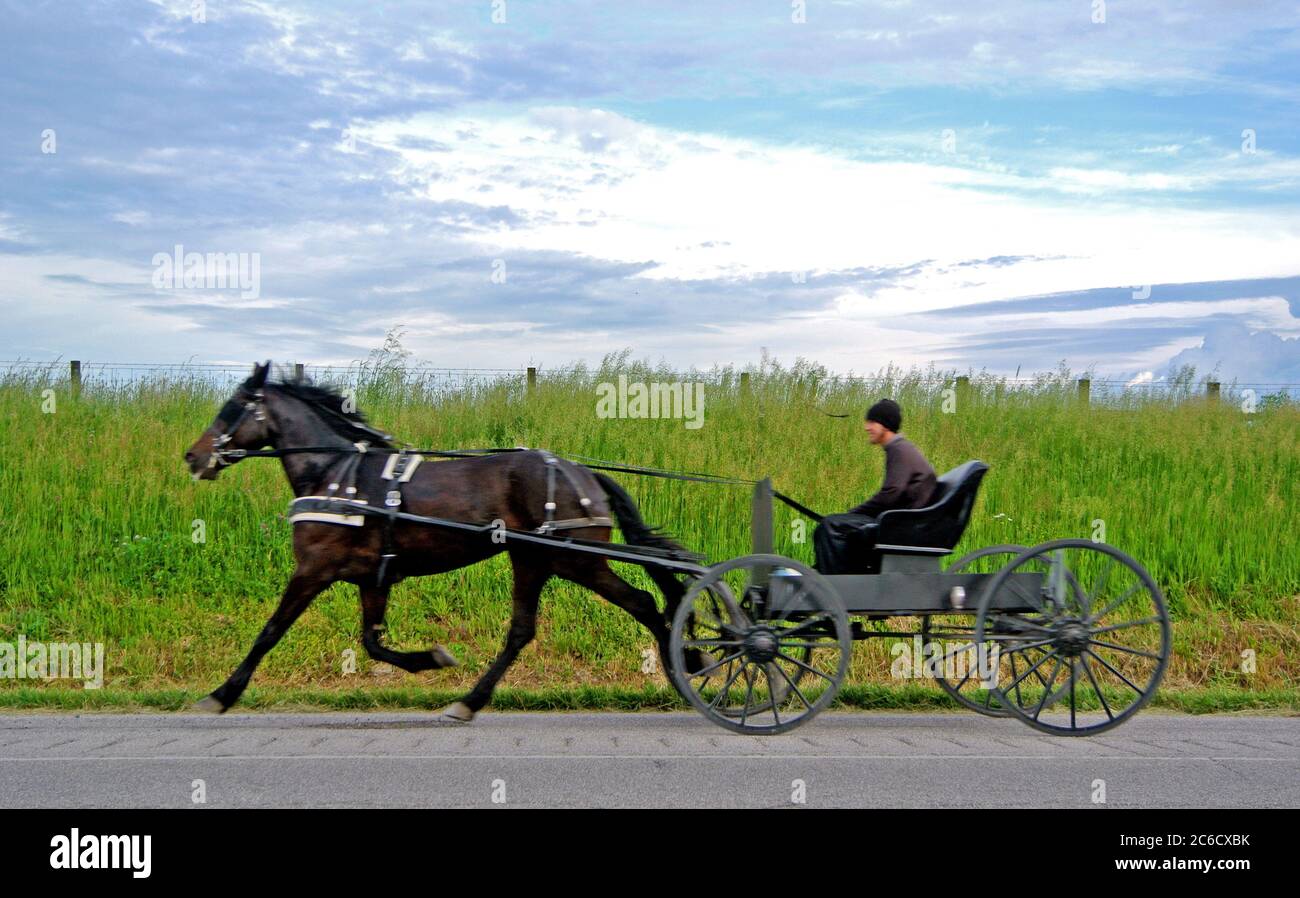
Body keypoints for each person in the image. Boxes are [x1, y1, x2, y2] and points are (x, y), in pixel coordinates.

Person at [812, 398, 937, 574]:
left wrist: (856, 512)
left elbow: (892, 493)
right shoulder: (901, 448)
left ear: (885, 425)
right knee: (834, 523)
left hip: (902, 524)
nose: (867, 427)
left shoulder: (899, 450)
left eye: (872, 422)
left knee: (829, 525)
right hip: (902, 520)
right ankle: (842, 576)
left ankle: (835, 585)